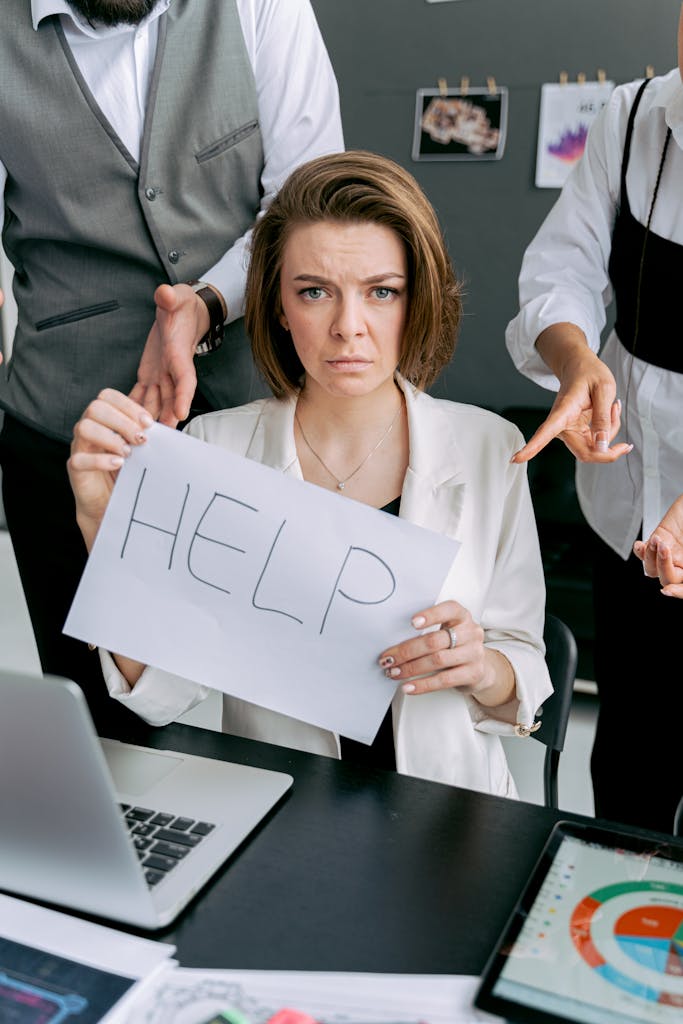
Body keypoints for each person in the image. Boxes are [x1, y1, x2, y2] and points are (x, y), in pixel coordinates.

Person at [67, 150, 552, 794]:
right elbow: (160, 691)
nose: (348, 328)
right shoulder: (216, 447)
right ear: (277, 306)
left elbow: (523, 668)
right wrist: (104, 523)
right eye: (315, 292)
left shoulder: (492, 448)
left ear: (417, 302)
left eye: (381, 292)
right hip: (277, 819)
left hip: (449, 823)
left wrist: (481, 666)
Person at [0, 0, 343, 731]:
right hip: (64, 425)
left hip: (260, 405)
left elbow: (307, 199)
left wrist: (208, 304)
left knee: (292, 706)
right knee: (105, 723)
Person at [505, 5, 683, 833]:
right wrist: (577, 362)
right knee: (629, 768)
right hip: (625, 517)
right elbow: (561, 269)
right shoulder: (632, 114)